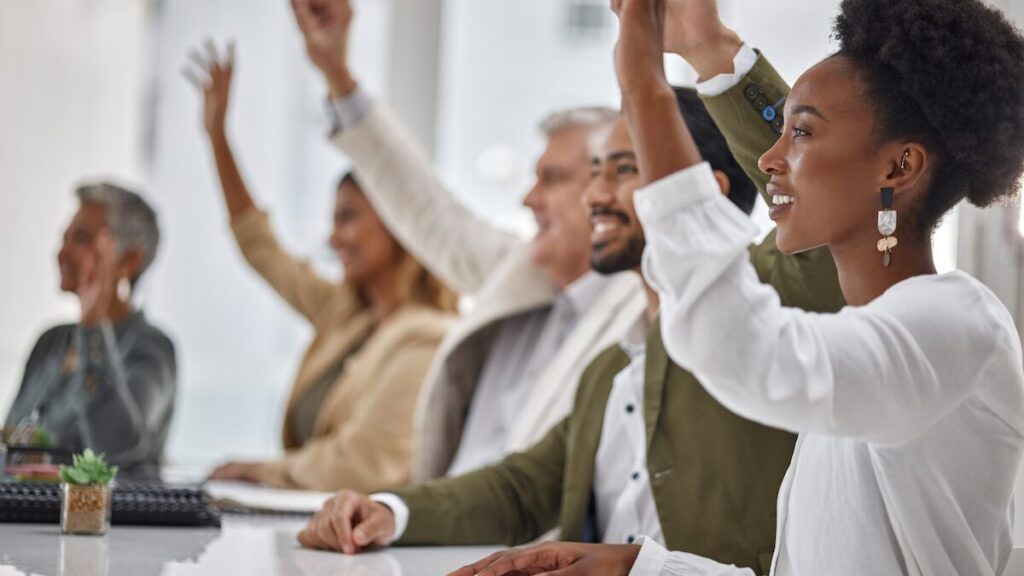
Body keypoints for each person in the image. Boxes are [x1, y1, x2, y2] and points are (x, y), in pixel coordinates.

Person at [457, 0, 1024, 574]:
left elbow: (747, 349)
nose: (772, 158)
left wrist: (647, 91)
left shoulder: (958, 326)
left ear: (899, 168)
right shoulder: (866, 346)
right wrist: (639, 567)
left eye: (800, 131)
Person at [296, 88, 845, 576]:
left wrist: (717, 56)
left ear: (707, 192)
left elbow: (813, 187)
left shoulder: (772, 322)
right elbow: (521, 486)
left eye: (624, 170)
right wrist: (388, 512)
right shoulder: (612, 367)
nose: (594, 195)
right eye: (596, 171)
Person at [290, 0, 647, 481]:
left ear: (614, 187)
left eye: (553, 179)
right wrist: (337, 75)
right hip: (436, 534)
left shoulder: (640, 313)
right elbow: (427, 210)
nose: (528, 199)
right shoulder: (519, 273)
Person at [184, 44, 457, 492]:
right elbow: (261, 248)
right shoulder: (345, 314)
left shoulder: (429, 337)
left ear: (398, 225)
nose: (334, 238)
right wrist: (217, 136)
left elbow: (358, 465)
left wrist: (260, 471)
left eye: (348, 218)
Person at [4, 182, 175, 475]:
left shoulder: (150, 346)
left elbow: (119, 451)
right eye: (64, 238)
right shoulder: (52, 341)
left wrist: (93, 327)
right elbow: (12, 449)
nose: (62, 253)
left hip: (102, 521)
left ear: (130, 260)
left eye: (81, 239)